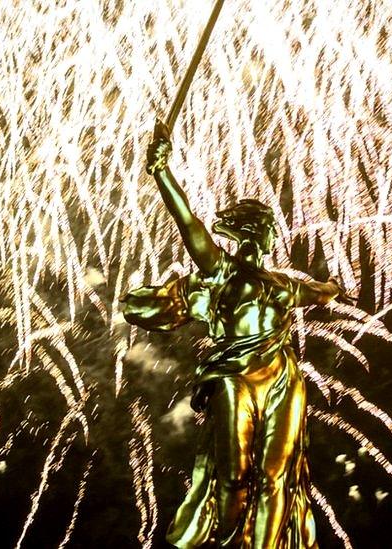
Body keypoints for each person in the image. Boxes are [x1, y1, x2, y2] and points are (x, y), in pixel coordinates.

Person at [121, 120, 351, 548]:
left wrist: (335, 288)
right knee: (234, 473)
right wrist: (163, 174)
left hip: (282, 379)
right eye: (258, 228)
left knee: (277, 476)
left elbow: (322, 292)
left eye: (262, 230)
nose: (262, 237)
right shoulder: (222, 270)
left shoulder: (283, 284)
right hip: (233, 377)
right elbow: (188, 223)